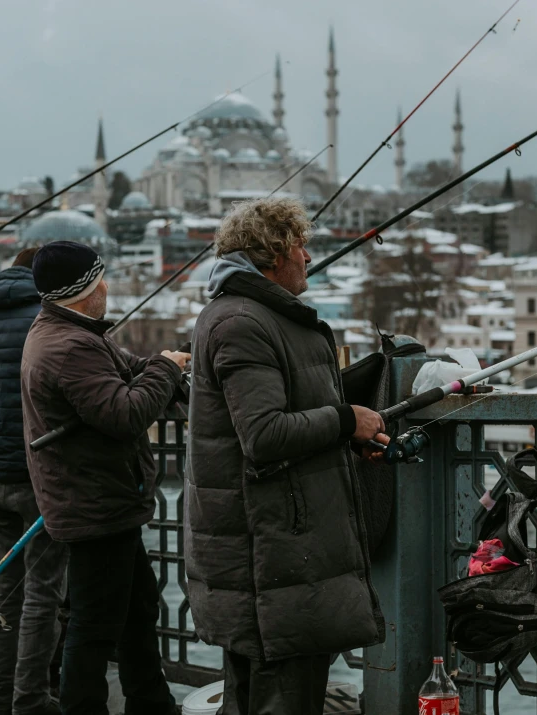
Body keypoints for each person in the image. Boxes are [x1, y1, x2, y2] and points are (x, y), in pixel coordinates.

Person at [185, 198, 389, 715]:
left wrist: (344, 437)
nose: (306, 255)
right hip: (272, 552)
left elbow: (287, 413)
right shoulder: (243, 322)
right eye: (300, 244)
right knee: (279, 694)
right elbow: (264, 434)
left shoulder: (254, 315)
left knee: (261, 693)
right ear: (272, 254)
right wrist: (348, 420)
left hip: (283, 550)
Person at [21, 241, 190, 715]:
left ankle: (151, 701)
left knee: (137, 611)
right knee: (93, 627)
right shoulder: (70, 345)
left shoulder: (68, 331)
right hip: (95, 505)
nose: (107, 287)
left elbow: (120, 370)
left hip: (99, 501)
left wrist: (158, 366)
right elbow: (124, 414)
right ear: (81, 291)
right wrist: (165, 367)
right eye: (99, 281)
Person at [0, 247, 67, 715]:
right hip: (41, 476)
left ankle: (3, 698)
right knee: (42, 594)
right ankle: (32, 698)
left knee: (4, 594)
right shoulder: (45, 323)